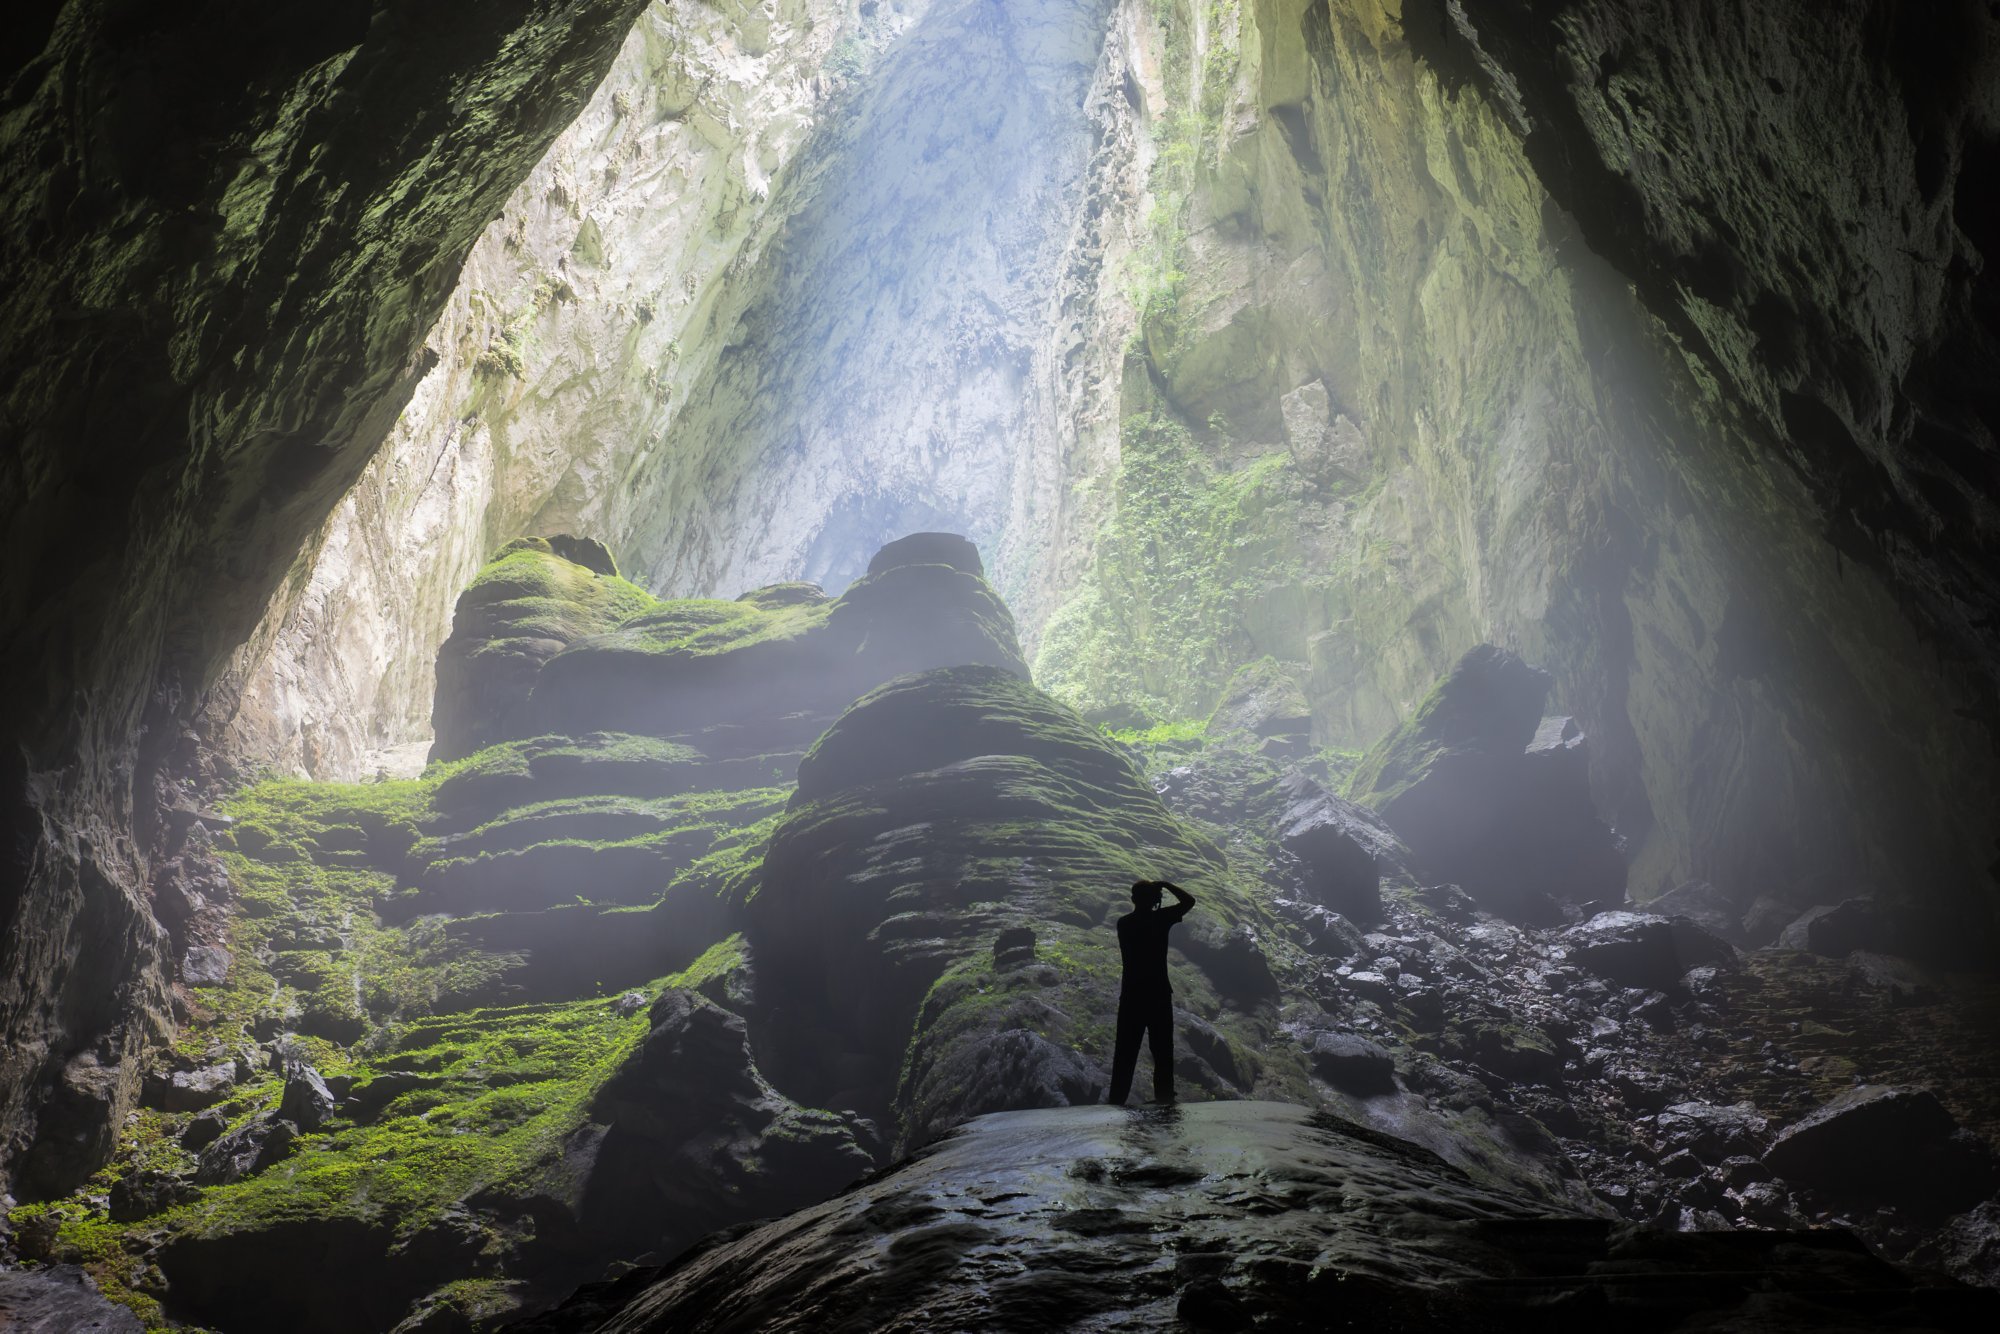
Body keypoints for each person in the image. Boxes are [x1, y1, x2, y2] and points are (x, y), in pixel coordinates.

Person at [1107, 878, 1196, 1105]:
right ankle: (1164, 1100)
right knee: (1163, 1052)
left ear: (1133, 900)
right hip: (1158, 995)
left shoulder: (1124, 923)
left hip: (1132, 996)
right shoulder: (1161, 919)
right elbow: (1189, 901)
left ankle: (1116, 1100)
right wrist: (1165, 884)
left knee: (1125, 1052)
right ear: (1155, 900)